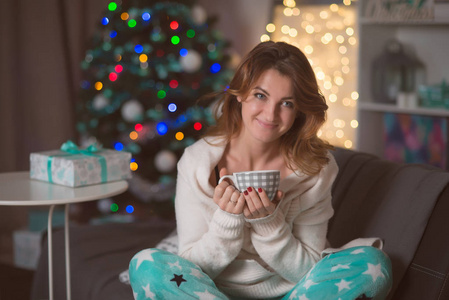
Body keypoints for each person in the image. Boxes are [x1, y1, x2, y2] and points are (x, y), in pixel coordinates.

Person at [129, 41, 392, 300]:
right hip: (209, 292)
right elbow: (190, 269)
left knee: (373, 264)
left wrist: (269, 224)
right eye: (260, 95)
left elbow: (308, 270)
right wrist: (226, 222)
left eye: (287, 103)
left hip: (294, 292)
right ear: (241, 93)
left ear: (299, 109)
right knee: (146, 265)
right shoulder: (197, 162)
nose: (271, 114)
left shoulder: (316, 169)